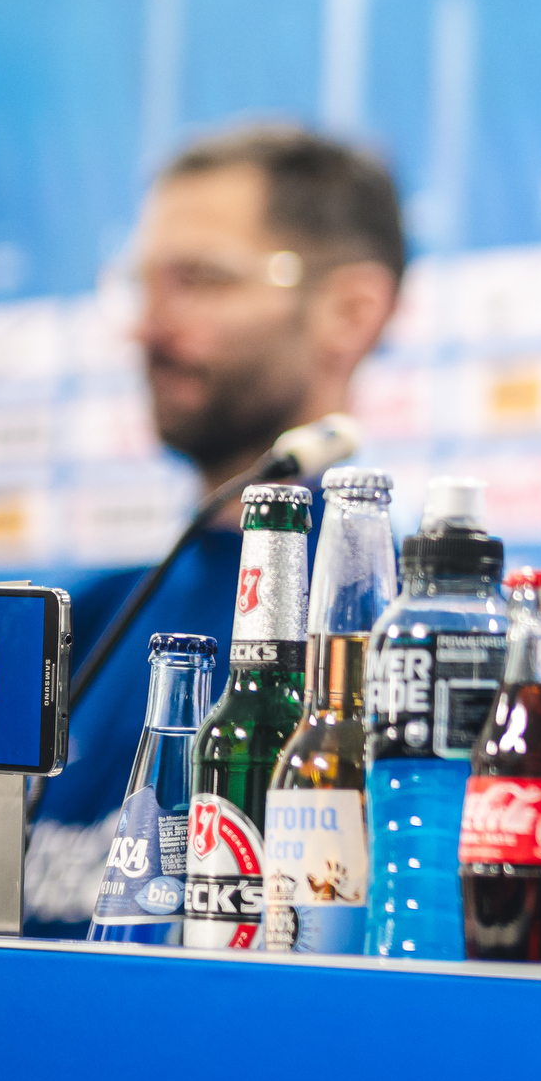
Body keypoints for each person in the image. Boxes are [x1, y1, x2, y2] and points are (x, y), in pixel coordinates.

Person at [20, 122, 402, 934]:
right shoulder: (83, 622)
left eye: (199, 279)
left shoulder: (397, 644)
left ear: (350, 311)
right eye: (144, 284)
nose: (149, 328)